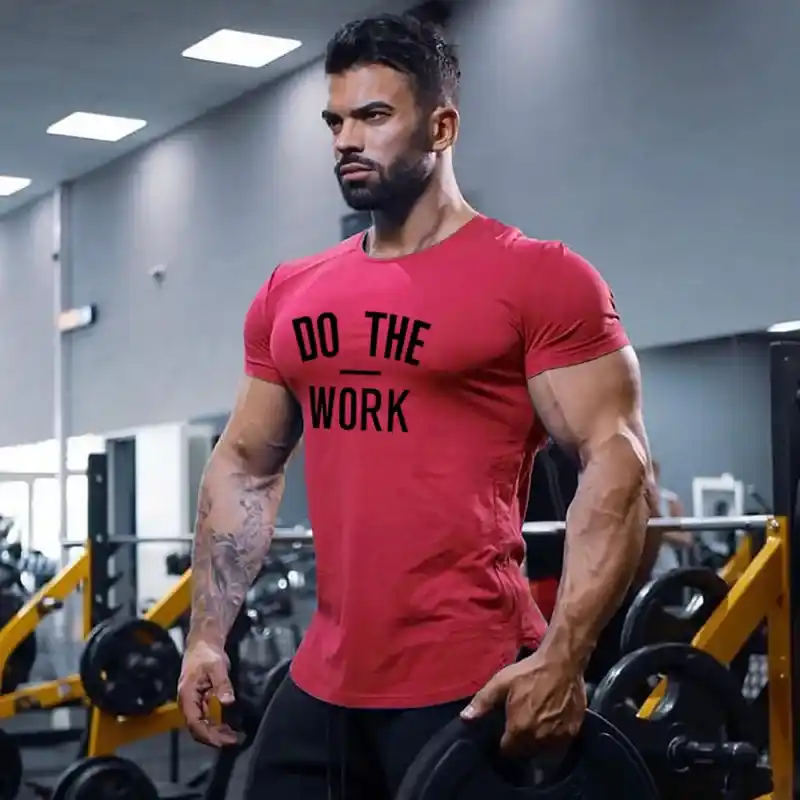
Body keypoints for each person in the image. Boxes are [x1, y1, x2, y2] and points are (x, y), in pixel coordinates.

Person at [177, 13, 656, 799]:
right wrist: (206, 637)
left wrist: (566, 656)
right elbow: (244, 466)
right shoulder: (290, 292)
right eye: (334, 120)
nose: (345, 139)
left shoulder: (540, 278)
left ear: (442, 124)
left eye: (373, 115)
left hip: (469, 680)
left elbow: (619, 460)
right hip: (324, 679)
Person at [649, 460, 693, 578]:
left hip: (665, 572)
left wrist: (659, 531)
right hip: (638, 574)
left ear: (656, 474)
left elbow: (686, 538)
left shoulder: (670, 501)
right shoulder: (633, 503)